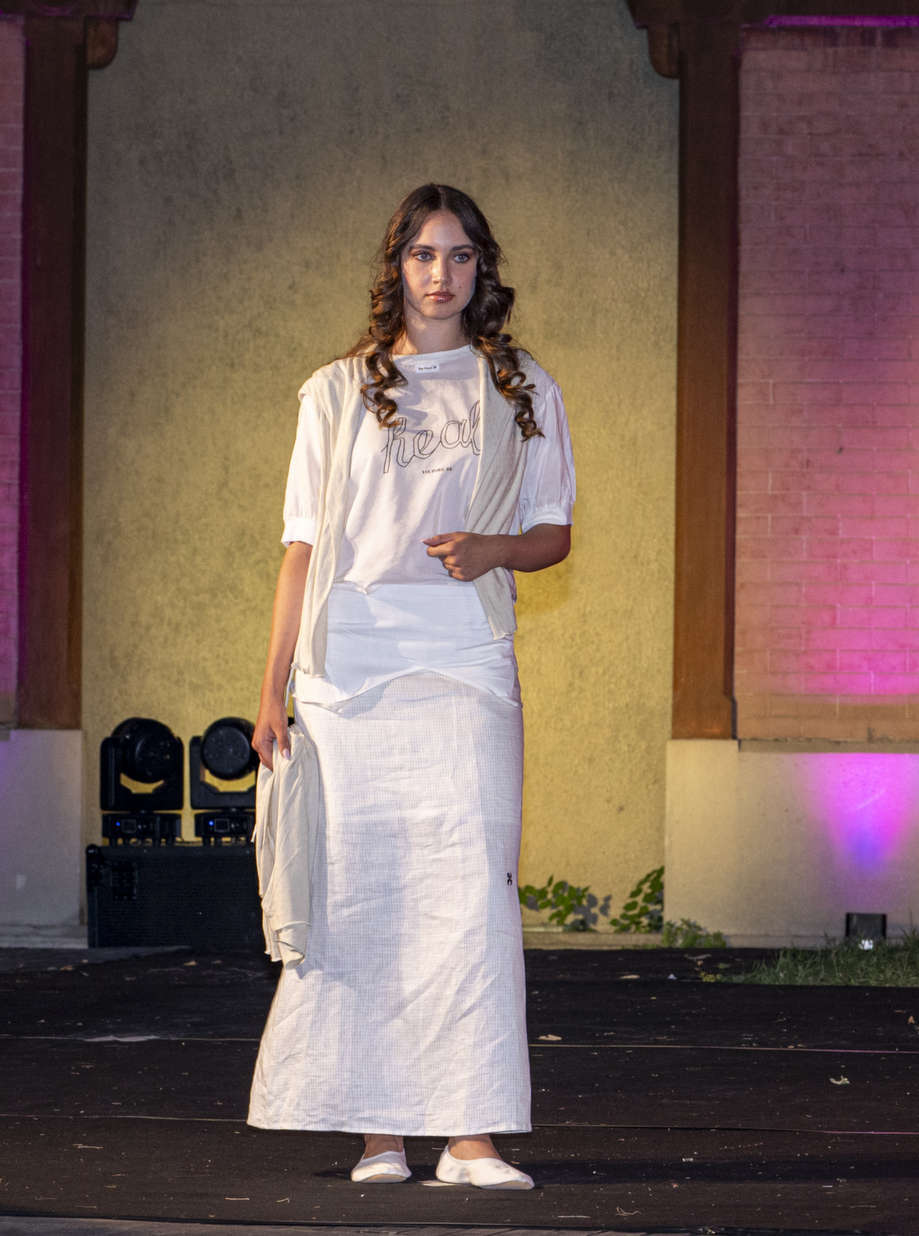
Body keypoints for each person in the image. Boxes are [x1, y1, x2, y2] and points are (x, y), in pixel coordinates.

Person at [247, 184, 575, 1189]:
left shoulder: (520, 386)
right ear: (396, 267)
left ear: (483, 269)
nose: (441, 274)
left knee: (471, 899)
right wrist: (270, 691)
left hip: (465, 666)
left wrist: (493, 549)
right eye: (424, 255)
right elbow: (302, 548)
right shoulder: (334, 391)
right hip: (346, 676)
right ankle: (377, 1133)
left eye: (460, 255)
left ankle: (470, 1137)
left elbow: (554, 533)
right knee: (361, 901)